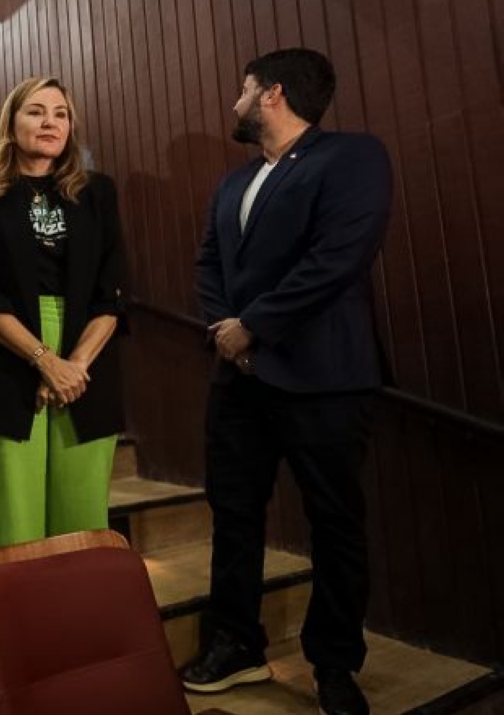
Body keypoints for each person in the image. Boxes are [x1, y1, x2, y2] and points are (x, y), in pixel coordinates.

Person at [181, 48, 392, 715]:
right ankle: (237, 644)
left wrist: (256, 327)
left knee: (334, 522)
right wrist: (224, 330)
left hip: (323, 379)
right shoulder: (231, 184)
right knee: (234, 515)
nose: (235, 103)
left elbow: (338, 259)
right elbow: (210, 262)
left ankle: (334, 664)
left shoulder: (352, 158)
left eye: (242, 90)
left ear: (271, 94)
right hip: (239, 381)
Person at [0, 76, 126, 552]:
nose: (49, 122)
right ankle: (8, 623)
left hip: (86, 355)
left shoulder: (98, 193)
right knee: (12, 520)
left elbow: (111, 296)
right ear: (12, 121)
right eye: (36, 111)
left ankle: (73, 623)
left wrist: (72, 366)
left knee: (82, 521)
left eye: (61, 113)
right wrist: (46, 361)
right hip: (7, 353)